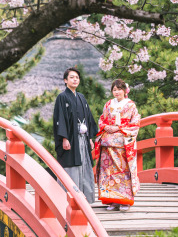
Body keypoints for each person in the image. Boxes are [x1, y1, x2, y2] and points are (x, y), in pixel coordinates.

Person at [94, 79, 141, 212]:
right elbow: (102, 119)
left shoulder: (131, 105)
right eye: (114, 90)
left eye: (119, 89)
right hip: (108, 143)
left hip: (122, 142)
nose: (117, 92)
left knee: (123, 172)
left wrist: (119, 128)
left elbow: (135, 122)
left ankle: (125, 200)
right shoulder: (108, 104)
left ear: (125, 91)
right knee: (108, 172)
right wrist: (107, 127)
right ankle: (112, 200)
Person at [53, 67, 99, 203]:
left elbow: (88, 118)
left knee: (85, 164)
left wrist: (89, 138)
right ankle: (69, 199)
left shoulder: (81, 97)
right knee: (71, 166)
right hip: (71, 139)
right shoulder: (62, 97)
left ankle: (85, 199)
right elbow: (60, 118)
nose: (75, 80)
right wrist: (64, 138)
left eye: (77, 77)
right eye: (72, 77)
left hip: (83, 138)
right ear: (65, 80)